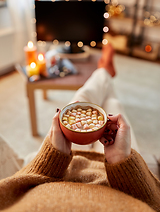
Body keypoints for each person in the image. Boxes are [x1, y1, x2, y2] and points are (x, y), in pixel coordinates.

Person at [0, 44, 160, 212]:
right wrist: (122, 160)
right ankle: (105, 72)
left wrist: (52, 158)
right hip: (119, 181)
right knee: (112, 103)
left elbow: (11, 193)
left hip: (57, 172)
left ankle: (104, 73)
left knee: (82, 101)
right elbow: (154, 202)